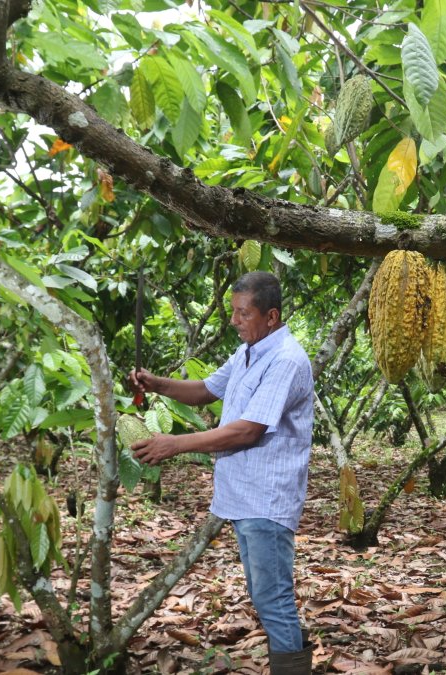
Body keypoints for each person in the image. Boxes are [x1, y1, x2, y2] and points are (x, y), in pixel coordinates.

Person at [129, 271, 314, 675]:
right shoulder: (250, 350)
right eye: (232, 312)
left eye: (242, 313)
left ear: (271, 316)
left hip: (267, 495)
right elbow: (206, 390)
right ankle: (293, 660)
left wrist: (174, 443)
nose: (234, 321)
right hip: (244, 494)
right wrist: (154, 383)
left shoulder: (285, 359)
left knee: (272, 596)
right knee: (264, 593)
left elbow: (248, 430)